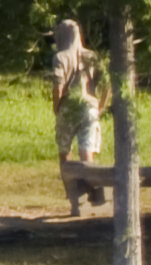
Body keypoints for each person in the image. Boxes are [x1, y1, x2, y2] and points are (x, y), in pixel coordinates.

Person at [44, 18, 105, 165]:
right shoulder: (91, 56)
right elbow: (107, 83)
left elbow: (58, 86)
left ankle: (71, 185)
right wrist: (101, 105)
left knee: (65, 150)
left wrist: (56, 107)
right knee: (87, 149)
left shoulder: (60, 57)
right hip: (89, 107)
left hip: (68, 106)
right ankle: (91, 182)